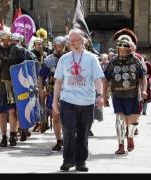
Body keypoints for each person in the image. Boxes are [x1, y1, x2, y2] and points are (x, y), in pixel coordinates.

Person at [52, 28, 104, 172]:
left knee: (83, 133)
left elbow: (97, 78)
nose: (73, 43)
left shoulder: (92, 58)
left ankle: (81, 162)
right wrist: (54, 101)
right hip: (68, 100)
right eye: (71, 40)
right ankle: (68, 161)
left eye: (76, 40)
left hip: (87, 101)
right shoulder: (64, 59)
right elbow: (58, 81)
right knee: (68, 130)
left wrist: (100, 95)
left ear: (83, 41)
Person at [104, 35, 147, 155]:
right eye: (120, 50)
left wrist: (144, 90)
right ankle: (121, 145)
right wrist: (104, 96)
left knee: (133, 121)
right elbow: (106, 79)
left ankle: (130, 137)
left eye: (124, 50)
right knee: (120, 120)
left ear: (129, 50)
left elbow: (143, 77)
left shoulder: (136, 61)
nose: (122, 52)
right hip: (117, 95)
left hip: (133, 94)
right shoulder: (112, 62)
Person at [0, 30, 28, 147]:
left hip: (14, 85)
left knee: (13, 111)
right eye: (3, 39)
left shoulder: (18, 51)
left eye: (8, 39)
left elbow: (25, 67)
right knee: (1, 113)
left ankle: (13, 136)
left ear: (11, 39)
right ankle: (4, 137)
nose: (5, 42)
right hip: (0, 85)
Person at [38, 36, 67, 151]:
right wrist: (41, 89)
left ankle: (68, 138)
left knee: (67, 118)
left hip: (68, 92)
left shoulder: (70, 58)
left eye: (61, 46)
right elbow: (41, 76)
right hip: (53, 91)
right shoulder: (49, 59)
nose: (59, 48)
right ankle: (59, 140)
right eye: (57, 46)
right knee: (55, 118)